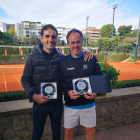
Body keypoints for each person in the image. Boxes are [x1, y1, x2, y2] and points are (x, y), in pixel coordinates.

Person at [21, 24, 93, 140]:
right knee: (37, 134)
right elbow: (24, 80)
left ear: (56, 39)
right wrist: (34, 96)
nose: (50, 39)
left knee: (57, 134)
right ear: (41, 38)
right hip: (39, 105)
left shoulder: (62, 58)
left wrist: (86, 50)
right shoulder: (32, 57)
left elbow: (73, 57)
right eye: (47, 36)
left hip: (57, 104)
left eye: (53, 37)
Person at [60, 29, 106, 140]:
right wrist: (67, 91)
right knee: (68, 131)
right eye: (72, 42)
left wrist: (97, 93)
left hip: (88, 104)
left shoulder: (91, 58)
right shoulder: (63, 62)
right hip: (70, 104)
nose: (76, 45)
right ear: (68, 44)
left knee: (90, 130)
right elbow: (61, 81)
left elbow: (99, 79)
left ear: (82, 42)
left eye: (78, 42)